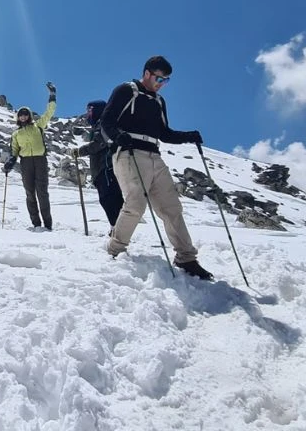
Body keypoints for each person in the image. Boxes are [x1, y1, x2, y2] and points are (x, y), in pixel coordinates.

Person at [99, 56, 213, 280]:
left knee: (171, 206)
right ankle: (115, 249)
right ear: (147, 73)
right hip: (129, 153)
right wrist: (117, 137)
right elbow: (106, 121)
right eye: (159, 78)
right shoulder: (126, 90)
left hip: (154, 155)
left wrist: (188, 136)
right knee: (136, 202)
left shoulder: (159, 101)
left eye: (166, 80)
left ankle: (186, 258)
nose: (161, 83)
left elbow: (164, 133)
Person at [3, 82, 57, 230]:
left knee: (42, 193)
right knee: (29, 193)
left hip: (40, 161)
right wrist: (10, 161)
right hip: (26, 163)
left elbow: (49, 112)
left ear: (30, 116)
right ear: (18, 117)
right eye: (21, 115)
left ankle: (48, 224)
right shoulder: (16, 134)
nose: (23, 116)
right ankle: (36, 223)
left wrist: (52, 95)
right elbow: (14, 150)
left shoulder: (38, 126)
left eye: (26, 114)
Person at [75, 100, 124, 227]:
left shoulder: (104, 124)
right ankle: (118, 229)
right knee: (107, 199)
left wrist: (80, 151)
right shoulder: (98, 125)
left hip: (106, 168)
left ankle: (119, 230)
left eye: (90, 110)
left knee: (110, 199)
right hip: (101, 169)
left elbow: (98, 143)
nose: (88, 114)